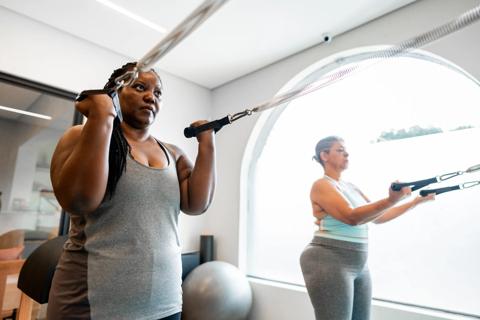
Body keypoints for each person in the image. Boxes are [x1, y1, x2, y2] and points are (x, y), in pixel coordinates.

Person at [47, 62, 216, 320]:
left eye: (157, 93)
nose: (151, 96)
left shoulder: (172, 153)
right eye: (139, 87)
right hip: (91, 304)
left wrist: (207, 144)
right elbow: (79, 200)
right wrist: (103, 116)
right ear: (116, 92)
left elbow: (196, 204)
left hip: (165, 303)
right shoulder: (81, 135)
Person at [300, 136, 434, 320]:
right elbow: (351, 217)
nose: (346, 153)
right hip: (329, 258)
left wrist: (416, 202)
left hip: (358, 262)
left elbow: (379, 217)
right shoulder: (322, 185)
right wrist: (391, 200)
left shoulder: (350, 187)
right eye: (339, 150)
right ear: (324, 155)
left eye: (345, 150)